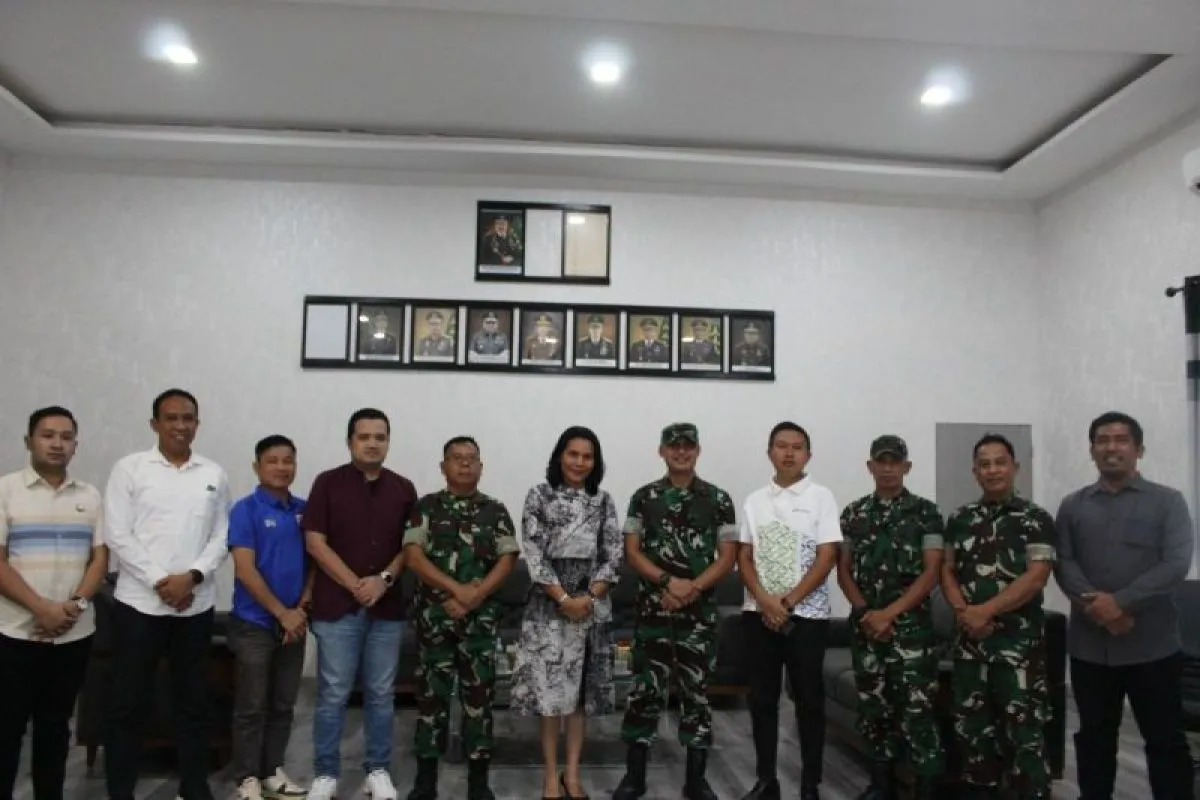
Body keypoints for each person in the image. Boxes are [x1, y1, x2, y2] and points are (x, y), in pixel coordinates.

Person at [1054, 411, 1194, 800]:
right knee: (1094, 739)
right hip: (1090, 649)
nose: (1111, 447)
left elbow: (1176, 563)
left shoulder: (1168, 502)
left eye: (1121, 439)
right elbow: (1064, 563)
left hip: (1152, 647)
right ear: (1092, 450)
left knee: (1165, 740)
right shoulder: (1073, 506)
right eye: (1102, 440)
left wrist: (1120, 603)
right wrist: (1099, 609)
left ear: (1139, 449)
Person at [104, 389, 232, 800]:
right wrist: (162, 581)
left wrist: (191, 577)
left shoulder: (213, 473)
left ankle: (194, 787)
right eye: (171, 418)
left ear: (197, 424)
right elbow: (118, 534)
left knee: (194, 703)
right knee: (128, 704)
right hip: (139, 605)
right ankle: (120, 790)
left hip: (195, 605)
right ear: (154, 424)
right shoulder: (130, 470)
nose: (180, 426)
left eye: (188, 418)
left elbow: (221, 536)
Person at [612, 423, 739, 800]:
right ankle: (634, 777)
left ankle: (696, 780)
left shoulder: (719, 499)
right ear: (662, 451)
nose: (681, 452)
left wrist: (692, 588)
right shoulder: (643, 497)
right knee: (644, 693)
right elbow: (632, 552)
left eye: (688, 446)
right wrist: (669, 582)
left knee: (696, 695)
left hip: (698, 616)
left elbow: (727, 557)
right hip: (653, 612)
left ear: (698, 450)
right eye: (674, 446)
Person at [303, 408, 418, 800]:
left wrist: (383, 580)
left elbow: (411, 547)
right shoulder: (327, 483)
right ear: (350, 441)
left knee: (381, 694)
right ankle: (326, 773)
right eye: (364, 436)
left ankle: (377, 770)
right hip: (337, 606)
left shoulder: (403, 488)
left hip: (387, 609)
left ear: (388, 442)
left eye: (380, 437)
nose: (372, 443)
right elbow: (315, 542)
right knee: (333, 693)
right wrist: (355, 584)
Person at [403, 436, 519, 800]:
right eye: (457, 458)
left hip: (479, 624)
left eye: (471, 458)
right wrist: (457, 590)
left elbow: (507, 559)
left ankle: (478, 783)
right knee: (431, 702)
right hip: (435, 620)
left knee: (479, 702)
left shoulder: (495, 510)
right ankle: (425, 783)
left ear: (481, 466)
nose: (465, 463)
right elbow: (413, 557)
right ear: (443, 466)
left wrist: (475, 596)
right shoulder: (426, 507)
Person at [510, 427, 623, 800]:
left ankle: (571, 774)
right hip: (548, 607)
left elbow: (613, 556)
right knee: (549, 699)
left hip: (590, 609)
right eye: (573, 454)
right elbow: (534, 553)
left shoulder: (603, 501)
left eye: (587, 456)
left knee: (578, 699)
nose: (579, 462)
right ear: (560, 456)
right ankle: (549, 776)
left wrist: (587, 598)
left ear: (595, 463)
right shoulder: (539, 496)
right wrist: (563, 598)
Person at [0, 406, 107, 800]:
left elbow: (100, 558)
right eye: (47, 435)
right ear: (29, 441)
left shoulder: (89, 495)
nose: (57, 444)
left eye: (66, 437)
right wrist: (40, 607)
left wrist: (73, 607)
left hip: (72, 634)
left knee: (55, 727)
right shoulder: (5, 490)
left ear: (76, 445)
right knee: (6, 729)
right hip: (14, 632)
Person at [941, 434, 1055, 800]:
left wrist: (983, 612)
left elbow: (1036, 576)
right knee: (973, 735)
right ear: (975, 471)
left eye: (1000, 462)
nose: (992, 470)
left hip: (1017, 648)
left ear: (1014, 467)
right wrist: (964, 613)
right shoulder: (959, 519)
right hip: (970, 648)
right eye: (984, 464)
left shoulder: (1036, 518)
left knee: (1025, 736)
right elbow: (946, 570)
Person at [737, 422, 842, 800]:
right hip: (759, 615)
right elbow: (744, 557)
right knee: (762, 700)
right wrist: (766, 601)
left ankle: (810, 783)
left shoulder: (821, 497)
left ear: (808, 455)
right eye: (781, 446)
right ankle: (767, 780)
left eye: (797, 447)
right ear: (770, 452)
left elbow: (827, 556)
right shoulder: (754, 501)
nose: (789, 453)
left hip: (806, 618)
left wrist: (788, 602)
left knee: (809, 701)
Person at [836, 435, 944, 800]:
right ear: (870, 466)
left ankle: (926, 788)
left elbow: (931, 573)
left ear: (906, 467)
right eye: (880, 462)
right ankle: (881, 786)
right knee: (874, 710)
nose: (887, 468)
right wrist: (866, 613)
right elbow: (843, 571)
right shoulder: (853, 514)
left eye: (894, 462)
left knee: (917, 713)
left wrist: (889, 614)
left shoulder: (927, 513)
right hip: (867, 630)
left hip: (911, 632)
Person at [227, 435, 311, 800]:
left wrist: (300, 611)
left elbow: (316, 563)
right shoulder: (244, 510)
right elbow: (245, 570)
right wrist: (281, 613)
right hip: (255, 624)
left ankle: (271, 770)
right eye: (273, 460)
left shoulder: (305, 510)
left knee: (283, 704)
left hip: (295, 623)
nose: (281, 467)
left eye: (288, 460)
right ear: (257, 467)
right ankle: (246, 777)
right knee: (252, 705)